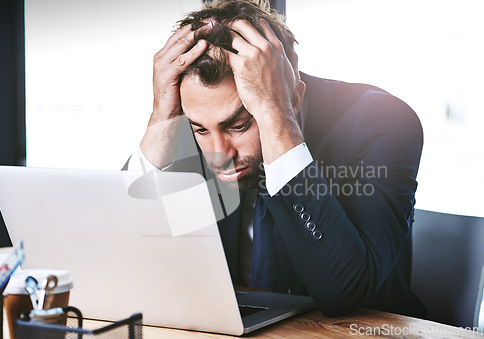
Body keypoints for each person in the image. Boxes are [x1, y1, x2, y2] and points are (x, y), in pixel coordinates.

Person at [124, 0, 426, 318]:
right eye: (200, 129)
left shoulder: (383, 120)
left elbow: (344, 293)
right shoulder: (202, 112)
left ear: (295, 98)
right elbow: (122, 258)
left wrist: (276, 116)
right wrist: (161, 117)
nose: (220, 155)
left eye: (239, 125)